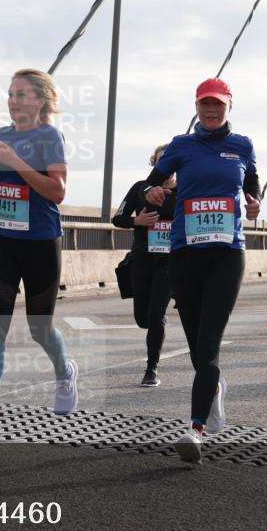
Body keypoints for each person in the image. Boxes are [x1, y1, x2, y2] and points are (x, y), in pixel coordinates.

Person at [143, 77, 261, 463]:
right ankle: (214, 389)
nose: (211, 111)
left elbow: (253, 183)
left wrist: (255, 202)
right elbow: (151, 183)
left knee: (209, 344)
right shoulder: (181, 146)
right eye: (205, 104)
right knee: (196, 347)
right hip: (185, 254)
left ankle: (195, 430)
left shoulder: (242, 146)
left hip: (227, 255)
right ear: (196, 107)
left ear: (229, 106)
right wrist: (151, 192)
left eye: (218, 105)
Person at [0, 69, 77, 446]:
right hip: (3, 242)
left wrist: (18, 162)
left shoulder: (50, 137)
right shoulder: (1, 136)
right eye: (10, 94)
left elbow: (57, 191)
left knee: (40, 327)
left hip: (41, 243)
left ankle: (64, 371)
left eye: (21, 94)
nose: (12, 101)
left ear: (40, 101)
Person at [112, 144, 176, 387]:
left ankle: (151, 369)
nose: (166, 166)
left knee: (156, 314)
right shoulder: (140, 189)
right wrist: (136, 221)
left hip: (169, 262)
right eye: (161, 161)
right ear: (154, 165)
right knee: (143, 318)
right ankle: (155, 325)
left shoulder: (186, 190)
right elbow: (117, 218)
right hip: (142, 259)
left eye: (170, 161)